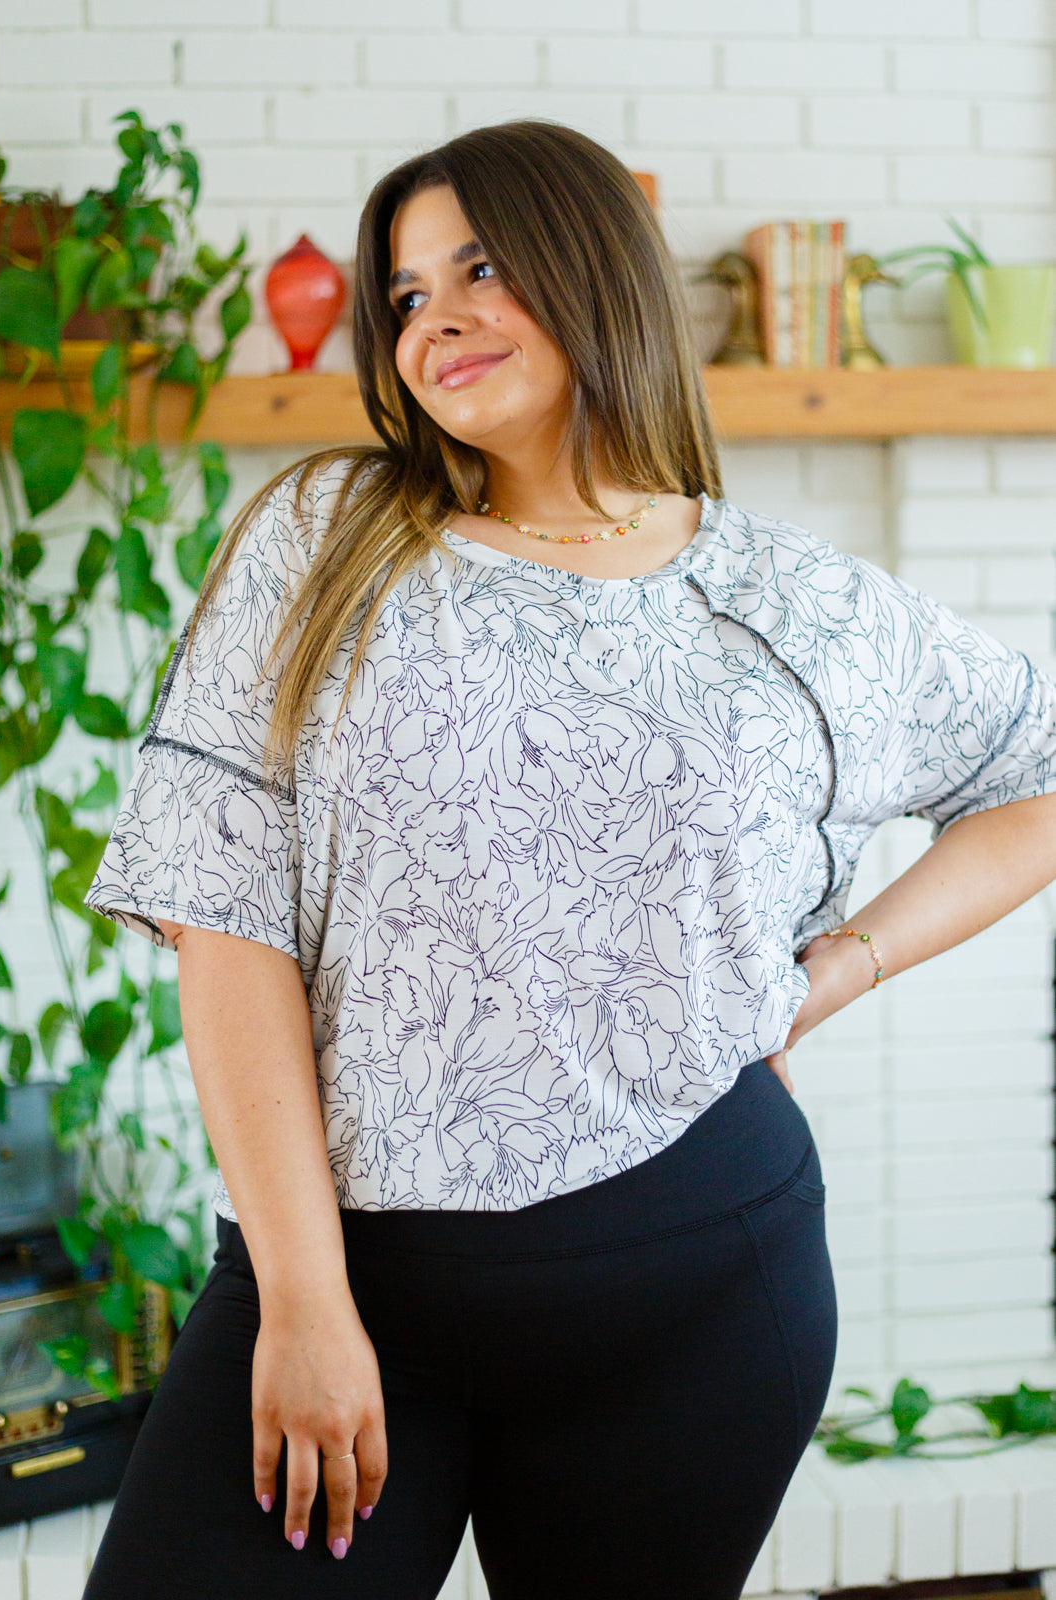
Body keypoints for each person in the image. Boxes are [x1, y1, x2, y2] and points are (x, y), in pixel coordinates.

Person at [80, 120, 1056, 1600]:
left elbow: (1034, 773)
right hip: (347, 1287)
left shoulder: (795, 601)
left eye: (481, 268)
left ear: (596, 266)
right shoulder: (321, 540)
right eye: (406, 295)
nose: (436, 319)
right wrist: (304, 1299)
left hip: (700, 1294)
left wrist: (833, 971)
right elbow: (226, 922)